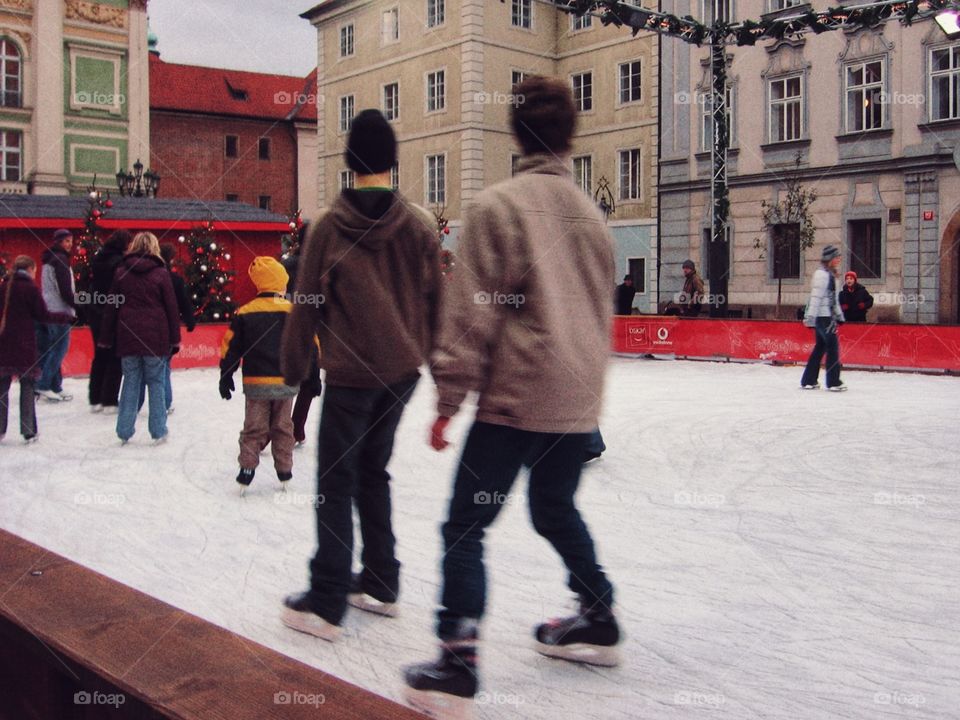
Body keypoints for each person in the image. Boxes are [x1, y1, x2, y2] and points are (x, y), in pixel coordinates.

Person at [403, 76, 620, 717]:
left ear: (515, 131)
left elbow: (472, 317)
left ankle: (457, 659)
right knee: (554, 510)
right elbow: (598, 312)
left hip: (517, 398)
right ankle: (599, 615)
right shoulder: (591, 215)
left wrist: (447, 402)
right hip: (575, 399)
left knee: (466, 524)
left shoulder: (499, 207)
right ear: (568, 136)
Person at [279, 108, 440, 640]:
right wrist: (445, 379)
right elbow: (439, 303)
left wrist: (293, 365)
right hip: (400, 373)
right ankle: (380, 579)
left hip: (351, 376)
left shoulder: (327, 227)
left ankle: (327, 600)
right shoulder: (418, 225)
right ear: (393, 161)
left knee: (334, 481)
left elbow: (304, 301)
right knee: (373, 471)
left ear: (350, 163)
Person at [219, 257, 303, 493]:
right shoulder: (293, 311)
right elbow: (309, 343)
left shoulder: (245, 312)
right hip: (285, 382)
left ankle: (246, 469)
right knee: (283, 427)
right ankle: (285, 470)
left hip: (256, 382)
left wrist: (226, 375)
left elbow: (231, 347)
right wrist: (312, 375)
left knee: (253, 427)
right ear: (280, 284)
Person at [99, 232, 181, 444]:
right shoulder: (161, 273)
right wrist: (175, 338)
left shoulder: (120, 272)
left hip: (128, 336)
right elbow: (172, 308)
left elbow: (112, 306)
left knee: (130, 382)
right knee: (156, 383)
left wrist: (106, 336)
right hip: (156, 337)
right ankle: (158, 430)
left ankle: (124, 430)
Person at [0, 256, 73, 443]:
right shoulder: (30, 289)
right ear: (30, 269)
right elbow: (42, 315)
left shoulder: (4, 287)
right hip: (24, 344)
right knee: (27, 386)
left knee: (2, 388)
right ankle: (28, 430)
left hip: (4, 343)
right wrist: (65, 318)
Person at [282, 226, 322, 448]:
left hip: (284, 325)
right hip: (310, 331)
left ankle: (282, 428)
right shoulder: (318, 267)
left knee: (286, 379)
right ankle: (295, 427)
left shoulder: (286, 265)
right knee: (309, 382)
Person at [88, 230, 131, 413]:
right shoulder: (120, 263)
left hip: (95, 309)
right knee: (115, 356)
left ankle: (95, 397)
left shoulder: (97, 260)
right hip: (113, 310)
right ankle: (109, 400)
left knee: (100, 354)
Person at [35, 228, 76, 402]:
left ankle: (55, 385)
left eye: (70, 240)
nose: (70, 244)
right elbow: (65, 290)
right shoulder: (60, 260)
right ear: (58, 242)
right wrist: (78, 305)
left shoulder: (48, 260)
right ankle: (44, 384)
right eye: (66, 241)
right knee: (59, 349)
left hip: (48, 308)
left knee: (52, 348)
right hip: (59, 310)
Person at [156, 243, 196, 414]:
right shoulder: (174, 280)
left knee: (139, 371)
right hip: (165, 328)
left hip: (145, 328)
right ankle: (165, 402)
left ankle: (136, 404)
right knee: (163, 366)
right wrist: (189, 320)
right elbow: (183, 302)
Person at [801, 244, 846, 391]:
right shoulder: (822, 274)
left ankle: (809, 380)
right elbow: (816, 297)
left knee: (820, 347)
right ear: (830, 259)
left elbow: (833, 299)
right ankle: (833, 382)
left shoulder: (831, 274)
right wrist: (810, 318)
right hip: (823, 317)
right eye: (836, 257)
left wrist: (839, 315)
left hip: (827, 316)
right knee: (832, 348)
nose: (839, 259)